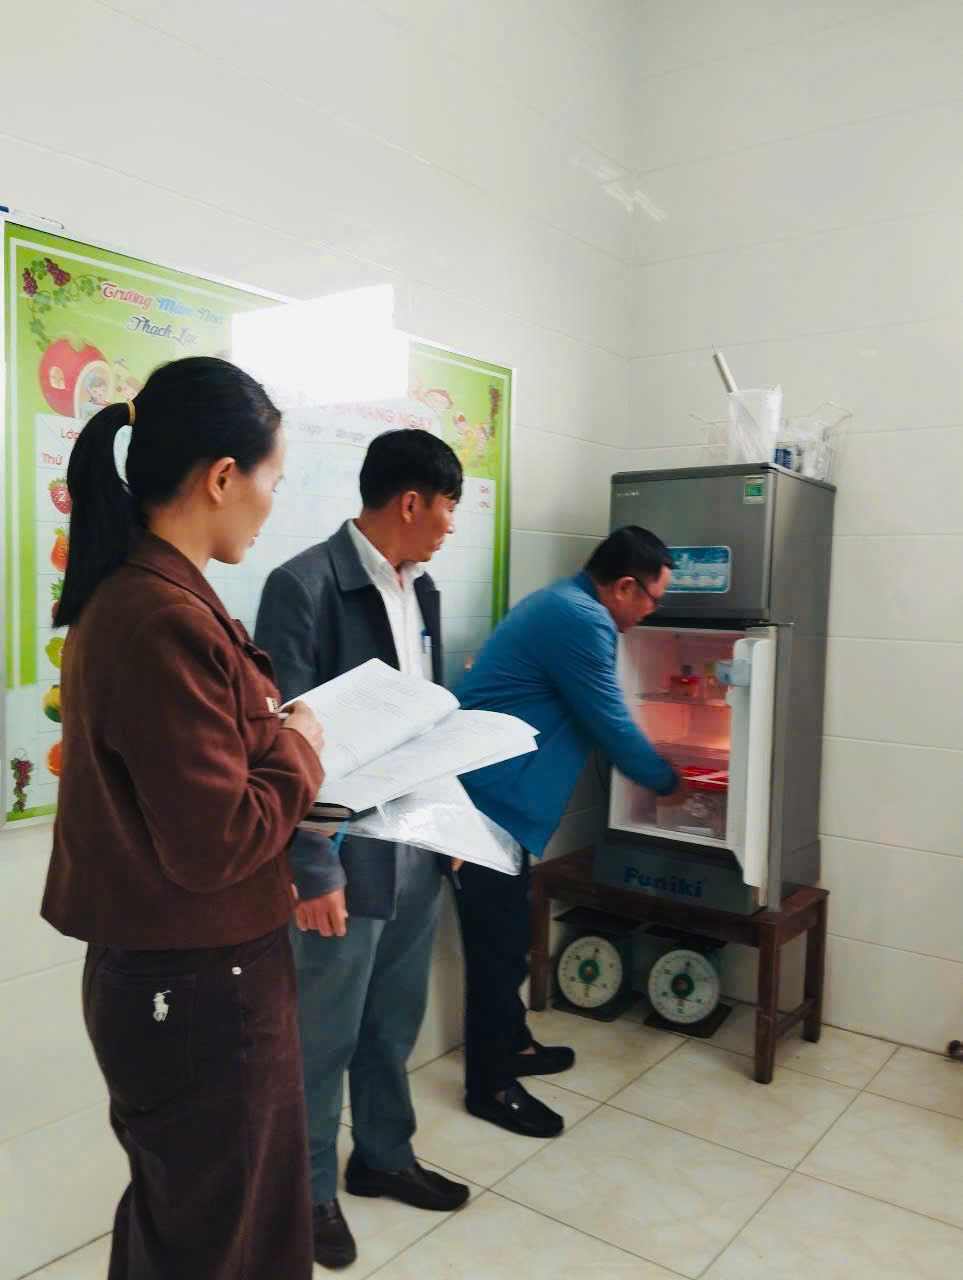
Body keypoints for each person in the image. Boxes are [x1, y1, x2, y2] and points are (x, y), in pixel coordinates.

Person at [41, 356, 326, 1280]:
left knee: (198, 1227)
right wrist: (302, 746)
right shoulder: (160, 616)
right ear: (221, 477)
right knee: (215, 1242)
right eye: (273, 480)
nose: (272, 503)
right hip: (202, 985)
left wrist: (277, 745)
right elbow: (218, 839)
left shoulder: (141, 597)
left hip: (191, 973)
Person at [255, 428, 470, 1271]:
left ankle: (382, 1156)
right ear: (411, 502)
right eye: (447, 506)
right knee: (321, 1038)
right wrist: (311, 865)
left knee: (391, 1024)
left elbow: (426, 718)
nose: (450, 524)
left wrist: (447, 821)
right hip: (341, 858)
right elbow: (281, 741)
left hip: (413, 844)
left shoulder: (425, 591)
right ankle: (306, 1194)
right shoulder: (303, 585)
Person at [453, 526, 685, 1138]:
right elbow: (609, 721)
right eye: (652, 598)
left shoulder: (564, 602)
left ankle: (515, 1045)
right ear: (625, 586)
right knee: (497, 951)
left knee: (506, 937)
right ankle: (490, 1087)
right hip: (484, 807)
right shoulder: (581, 619)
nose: (652, 611)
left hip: (501, 804)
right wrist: (666, 780)